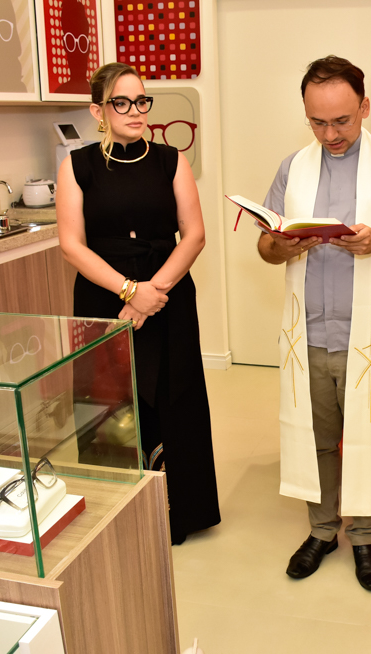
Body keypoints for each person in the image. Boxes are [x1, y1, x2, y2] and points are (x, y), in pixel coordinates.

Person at [259, 56, 371, 591]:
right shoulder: (293, 168)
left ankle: (363, 536)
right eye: (317, 122)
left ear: (365, 107)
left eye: (341, 120)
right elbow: (266, 247)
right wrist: (282, 245)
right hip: (307, 335)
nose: (330, 134)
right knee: (313, 439)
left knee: (365, 439)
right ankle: (321, 531)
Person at [56, 62, 220, 545]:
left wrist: (150, 294)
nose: (135, 111)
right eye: (121, 102)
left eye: (141, 100)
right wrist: (130, 291)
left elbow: (194, 235)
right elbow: (72, 245)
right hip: (103, 294)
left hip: (167, 292)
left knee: (175, 395)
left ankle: (179, 511)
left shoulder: (171, 160)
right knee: (109, 400)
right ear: (98, 111)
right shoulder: (77, 166)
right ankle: (117, 512)